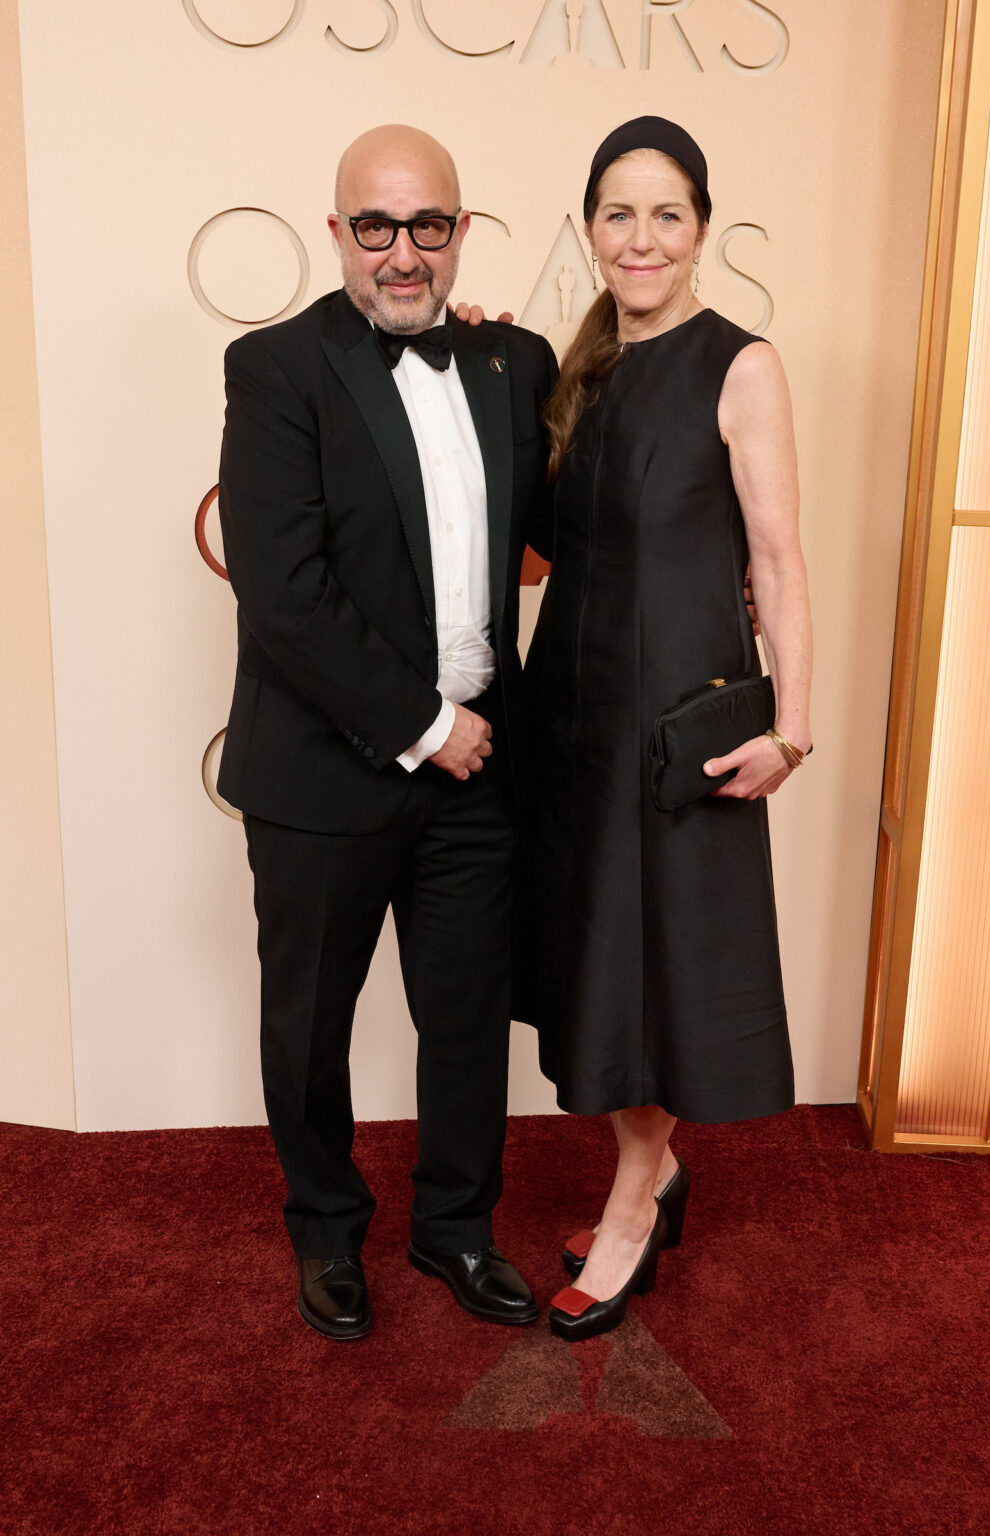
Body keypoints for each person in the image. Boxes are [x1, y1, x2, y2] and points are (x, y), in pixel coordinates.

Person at [216, 125, 557, 1340]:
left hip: (480, 777)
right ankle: (325, 1234)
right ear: (338, 233)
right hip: (324, 773)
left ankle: (457, 1230)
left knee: (466, 1019)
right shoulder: (275, 369)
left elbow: (581, 530)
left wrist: (726, 572)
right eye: (377, 226)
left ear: (462, 232)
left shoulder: (516, 364)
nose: (403, 254)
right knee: (307, 1026)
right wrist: (426, 726)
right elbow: (285, 592)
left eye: (429, 226)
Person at [524, 117, 813, 1341]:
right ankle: (658, 1168)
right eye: (617, 214)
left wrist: (793, 728)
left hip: (676, 727)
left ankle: (637, 1199)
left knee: (657, 977)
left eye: (666, 215)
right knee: (599, 967)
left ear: (700, 229)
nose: (640, 239)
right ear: (590, 228)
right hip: (571, 720)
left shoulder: (740, 365)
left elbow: (779, 560)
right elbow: (544, 551)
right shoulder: (576, 369)